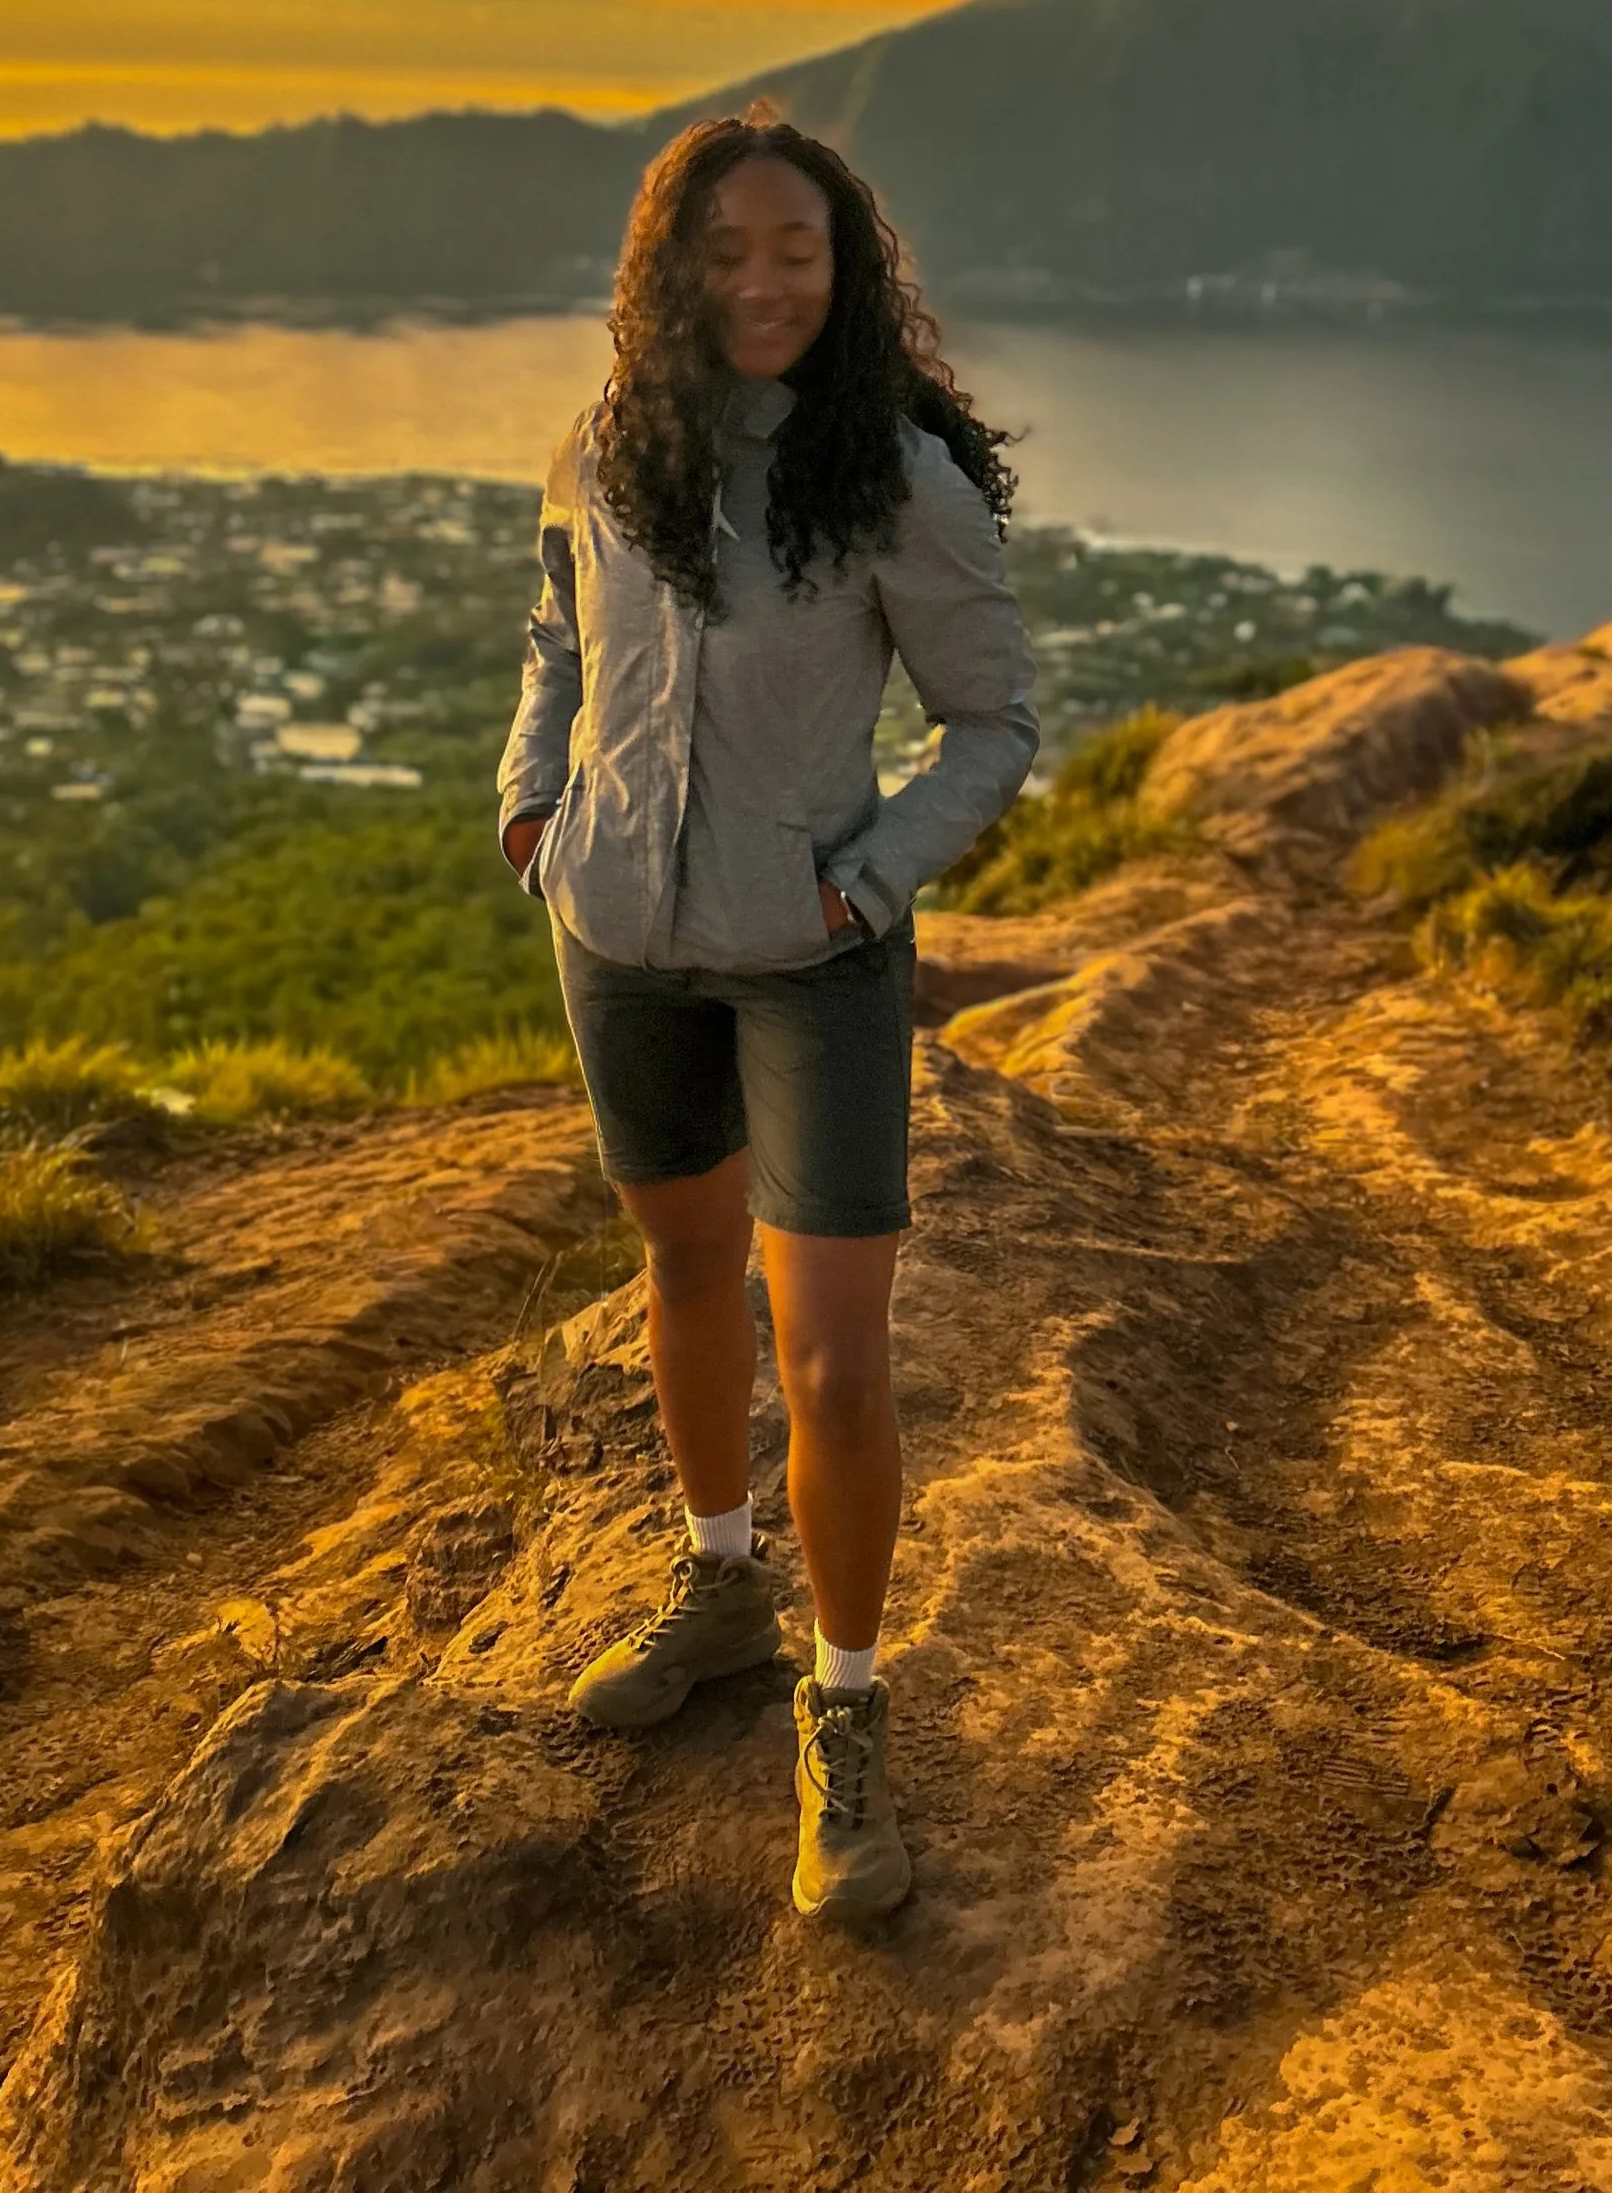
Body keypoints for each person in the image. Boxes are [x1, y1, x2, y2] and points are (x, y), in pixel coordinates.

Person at [496, 106, 1038, 1921]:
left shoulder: (893, 475)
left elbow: (995, 726)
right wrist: (530, 804)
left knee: (837, 1362)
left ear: (848, 265)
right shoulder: (602, 452)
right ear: (669, 271)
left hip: (812, 958)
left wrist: (856, 885)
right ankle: (723, 1587)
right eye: (723, 254)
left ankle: (851, 1706)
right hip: (621, 940)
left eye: (794, 251)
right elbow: (555, 639)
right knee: (678, 1268)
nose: (760, 283)